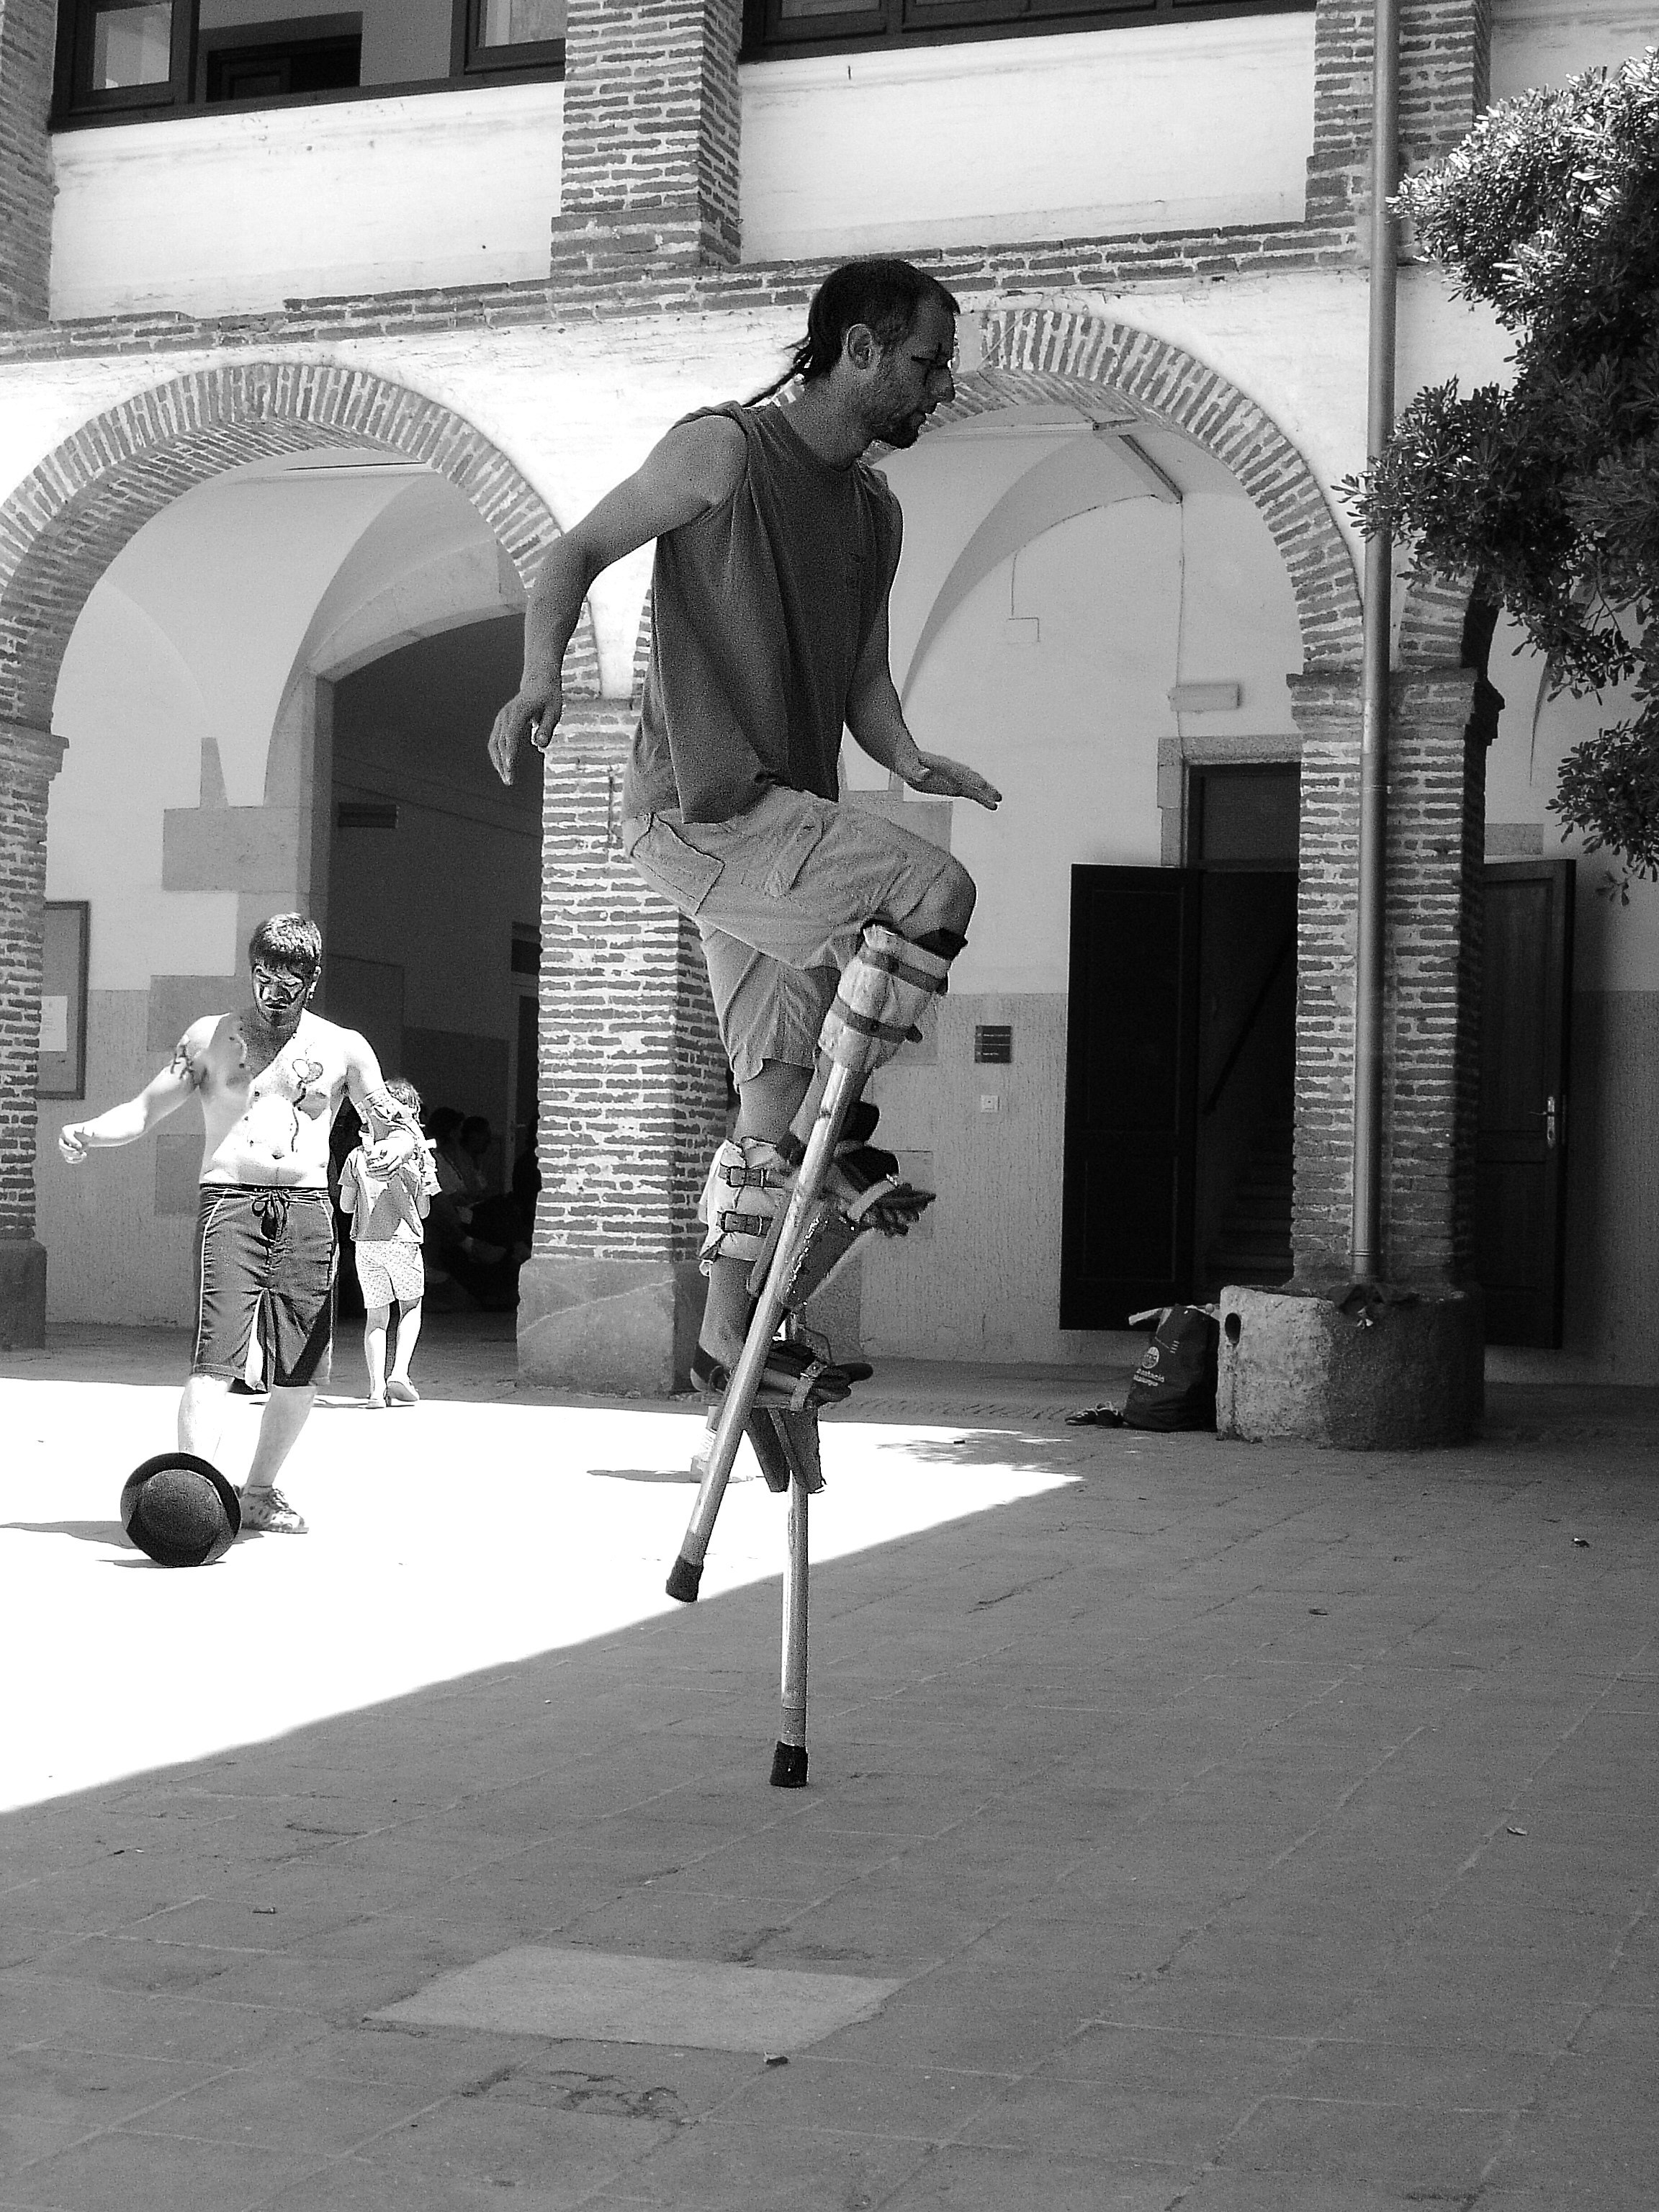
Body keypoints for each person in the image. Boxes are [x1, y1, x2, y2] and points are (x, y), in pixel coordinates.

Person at [488, 256, 1001, 1409]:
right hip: (704, 814)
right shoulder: (723, 449)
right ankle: (849, 1141)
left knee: (767, 1089)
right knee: (939, 895)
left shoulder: (876, 509)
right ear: (859, 350)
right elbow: (567, 554)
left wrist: (912, 758)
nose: (942, 388)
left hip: (779, 827)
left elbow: (864, 677)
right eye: (928, 363)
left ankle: (728, 1340)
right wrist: (537, 682)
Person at [57, 914, 424, 1534]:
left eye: (289, 983)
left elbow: (391, 1121)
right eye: (262, 978)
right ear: (249, 970)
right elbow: (144, 1110)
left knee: (300, 1368)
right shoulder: (210, 1039)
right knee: (216, 1358)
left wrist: (398, 1146)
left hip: (307, 1211)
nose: (272, 996)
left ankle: (258, 1490)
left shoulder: (343, 1046)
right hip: (229, 1202)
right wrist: (89, 1131)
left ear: (312, 979)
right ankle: (193, 1496)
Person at [338, 1076, 434, 1408]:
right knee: (411, 1307)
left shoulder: (356, 1157)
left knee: (376, 1318)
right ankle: (400, 1373)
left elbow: (346, 1206)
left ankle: (376, 1389)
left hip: (366, 1245)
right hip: (403, 1242)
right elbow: (423, 1209)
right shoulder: (413, 1159)